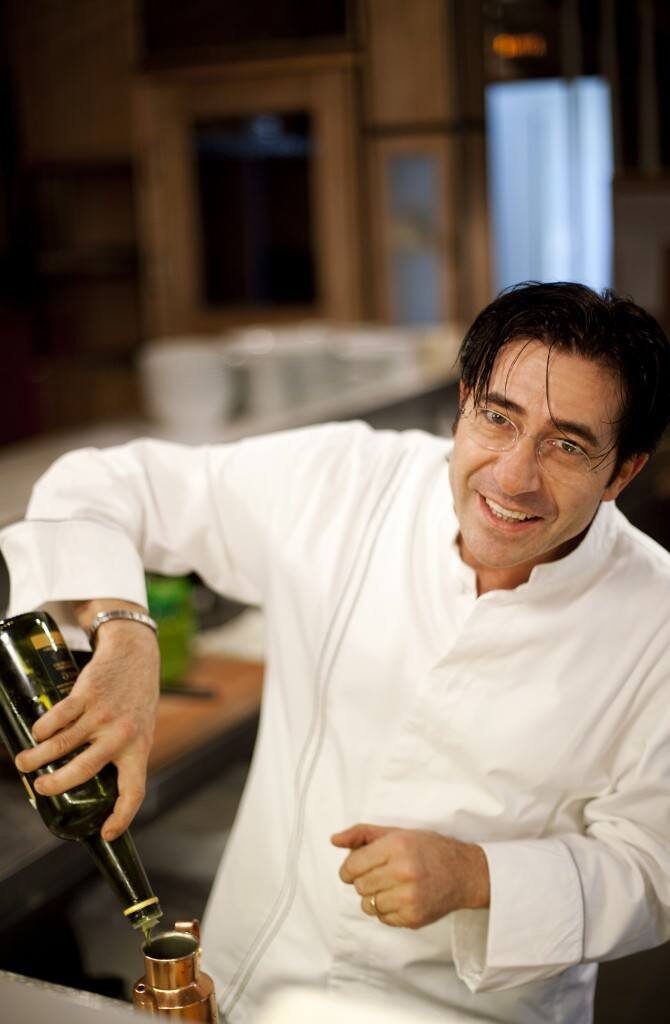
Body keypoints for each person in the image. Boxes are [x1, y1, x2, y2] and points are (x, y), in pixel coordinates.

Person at [2, 281, 670, 1024]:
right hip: (249, 985)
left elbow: (654, 866)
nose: (514, 476)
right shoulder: (351, 481)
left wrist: (479, 875)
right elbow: (98, 484)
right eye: (497, 418)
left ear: (622, 472)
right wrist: (125, 630)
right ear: (462, 405)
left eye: (567, 445)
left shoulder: (657, 621)